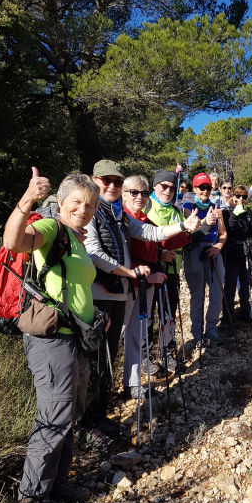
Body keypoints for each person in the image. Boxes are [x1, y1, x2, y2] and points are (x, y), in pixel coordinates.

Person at [3, 170, 103, 503]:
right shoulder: (50, 228)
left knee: (70, 411)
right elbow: (14, 241)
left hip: (74, 337)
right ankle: (32, 498)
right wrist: (27, 199)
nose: (83, 208)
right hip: (51, 339)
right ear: (60, 202)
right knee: (54, 414)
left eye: (90, 204)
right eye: (76, 201)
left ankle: (58, 482)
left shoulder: (76, 239)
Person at [79, 160, 201, 444]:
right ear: (94, 181)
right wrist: (130, 272)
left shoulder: (118, 215)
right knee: (96, 359)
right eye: (106, 181)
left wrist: (184, 226)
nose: (112, 186)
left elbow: (150, 233)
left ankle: (98, 418)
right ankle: (87, 424)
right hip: (99, 294)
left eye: (117, 182)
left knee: (107, 359)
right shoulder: (92, 212)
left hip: (118, 292)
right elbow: (95, 254)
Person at [121, 175, 168, 398]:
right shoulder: (122, 219)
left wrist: (199, 226)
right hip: (125, 284)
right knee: (120, 334)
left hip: (143, 285)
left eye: (143, 193)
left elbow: (162, 240)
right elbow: (122, 255)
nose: (139, 197)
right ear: (124, 193)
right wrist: (144, 276)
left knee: (136, 334)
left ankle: (132, 384)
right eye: (134, 192)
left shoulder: (145, 221)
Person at [144, 169, 193, 370]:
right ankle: (144, 357)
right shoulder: (146, 206)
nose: (168, 191)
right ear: (155, 186)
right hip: (149, 271)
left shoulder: (175, 210)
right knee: (147, 314)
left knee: (168, 313)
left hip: (171, 270)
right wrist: (159, 254)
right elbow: (140, 239)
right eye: (163, 186)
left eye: (172, 188)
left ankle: (166, 353)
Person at [182, 173, 227, 346]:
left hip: (213, 251)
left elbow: (223, 234)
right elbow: (190, 230)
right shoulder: (188, 206)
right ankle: (196, 333)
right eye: (202, 188)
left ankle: (211, 329)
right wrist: (205, 220)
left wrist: (218, 247)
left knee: (217, 292)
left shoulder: (216, 207)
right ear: (195, 189)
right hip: (194, 251)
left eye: (208, 187)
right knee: (197, 295)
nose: (205, 191)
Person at [221, 185, 252, 323]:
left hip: (245, 254)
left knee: (246, 286)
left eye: (244, 196)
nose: (241, 199)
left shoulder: (245, 214)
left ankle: (245, 313)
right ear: (233, 196)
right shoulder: (226, 212)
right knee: (230, 287)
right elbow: (227, 229)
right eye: (238, 195)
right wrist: (235, 215)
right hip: (231, 254)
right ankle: (227, 317)